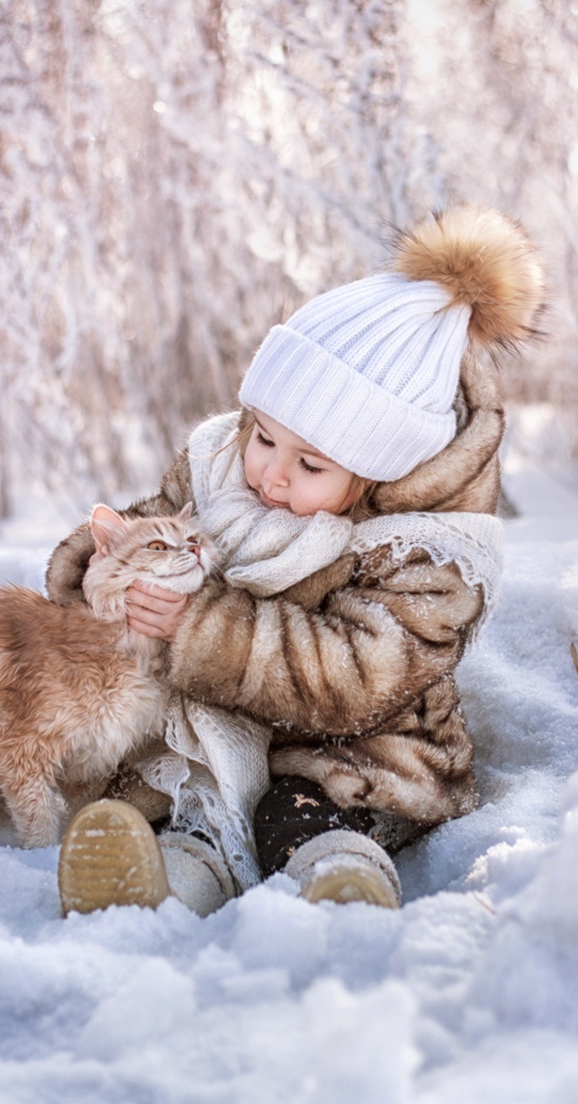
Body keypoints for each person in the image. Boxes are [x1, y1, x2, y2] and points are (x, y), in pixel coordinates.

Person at [46, 204, 545, 916]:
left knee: (298, 814)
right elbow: (152, 520)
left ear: (375, 471)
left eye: (310, 463)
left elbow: (358, 678)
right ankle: (158, 887)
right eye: (264, 437)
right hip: (221, 731)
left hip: (360, 748)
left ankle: (342, 880)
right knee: (183, 801)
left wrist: (197, 628)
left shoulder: (426, 555)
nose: (270, 476)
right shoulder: (224, 465)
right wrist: (103, 572)